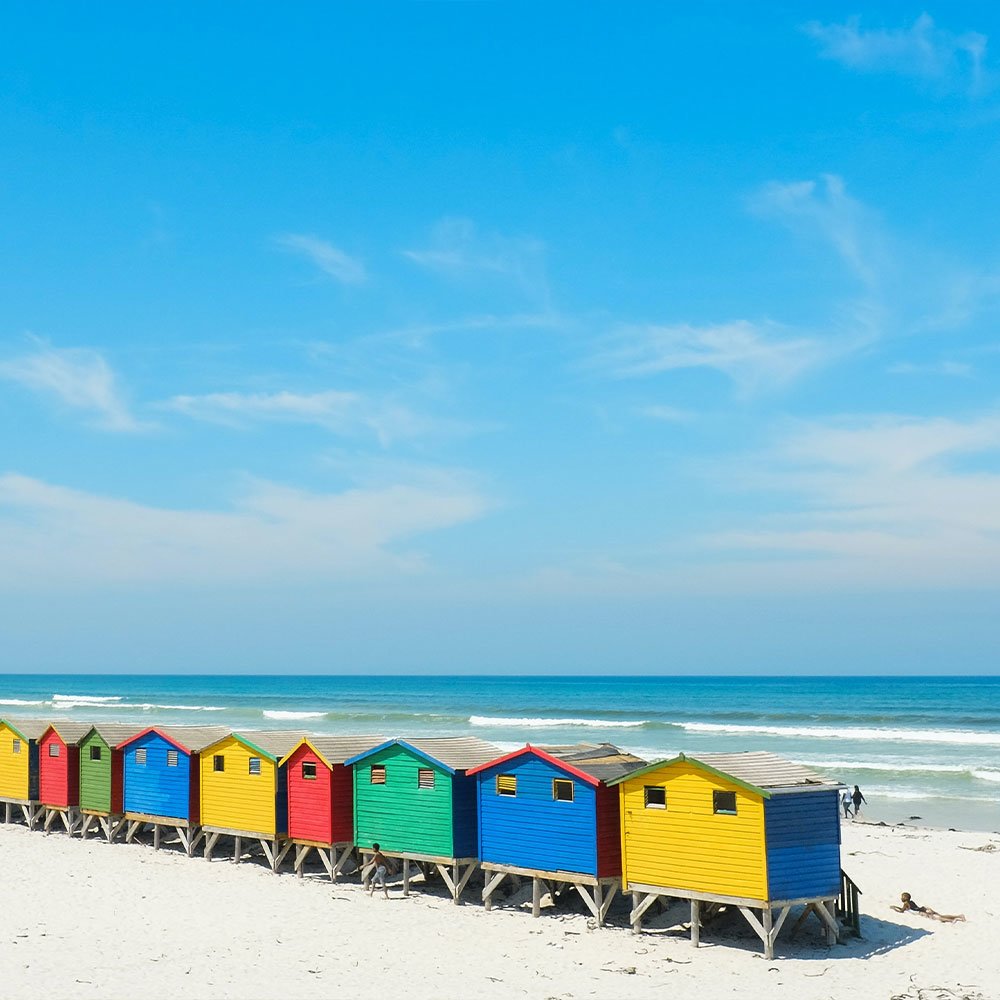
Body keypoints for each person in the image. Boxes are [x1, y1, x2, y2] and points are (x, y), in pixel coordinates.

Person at [891, 892, 966, 923]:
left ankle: (953, 920)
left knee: (939, 918)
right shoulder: (911, 902)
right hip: (923, 908)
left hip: (921, 912)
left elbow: (901, 911)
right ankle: (958, 916)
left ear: (904, 899)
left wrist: (894, 907)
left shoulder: (906, 904)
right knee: (940, 915)